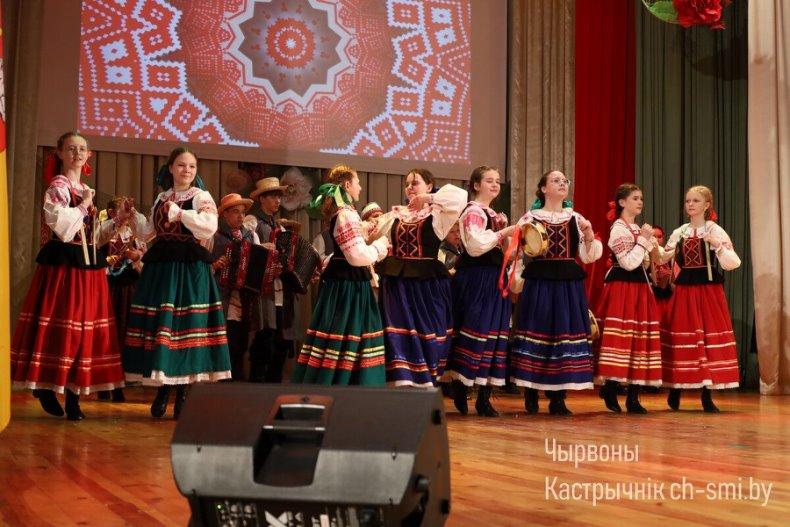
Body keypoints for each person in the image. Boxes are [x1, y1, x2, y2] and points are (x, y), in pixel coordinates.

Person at [10, 131, 125, 420]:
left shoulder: (83, 188)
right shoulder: (58, 186)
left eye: (82, 149)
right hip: (63, 268)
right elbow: (63, 227)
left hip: (87, 269)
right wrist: (84, 205)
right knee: (64, 329)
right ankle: (48, 387)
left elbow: (93, 237)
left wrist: (117, 222)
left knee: (84, 331)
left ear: (89, 155)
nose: (77, 153)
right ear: (59, 153)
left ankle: (74, 396)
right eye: (71, 148)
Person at [124, 146, 231, 419]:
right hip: (163, 267)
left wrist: (181, 214)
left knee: (184, 326)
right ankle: (163, 388)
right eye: (182, 165)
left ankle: (182, 390)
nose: (187, 170)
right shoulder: (162, 197)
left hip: (189, 269)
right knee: (164, 326)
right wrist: (133, 215)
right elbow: (149, 231)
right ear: (170, 168)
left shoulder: (199, 196)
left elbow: (209, 225)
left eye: (192, 166)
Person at [511, 170, 603, 416]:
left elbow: (588, 255)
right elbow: (518, 253)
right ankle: (530, 389)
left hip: (567, 284)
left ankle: (558, 397)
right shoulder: (530, 218)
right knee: (539, 330)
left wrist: (589, 234)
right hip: (539, 282)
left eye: (565, 181)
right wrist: (517, 280)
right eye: (556, 180)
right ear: (543, 189)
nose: (562, 183)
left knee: (565, 332)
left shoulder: (575, 218)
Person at [368, 169, 467, 387]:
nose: (410, 187)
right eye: (407, 184)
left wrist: (428, 199)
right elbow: (372, 235)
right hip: (397, 283)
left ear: (429, 187)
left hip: (427, 285)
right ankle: (403, 382)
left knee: (428, 330)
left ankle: (426, 382)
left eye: (416, 183)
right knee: (398, 332)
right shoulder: (396, 215)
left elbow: (460, 196)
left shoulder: (438, 214)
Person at [292, 165, 390, 384]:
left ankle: (340, 382)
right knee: (350, 332)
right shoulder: (345, 214)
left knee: (340, 334)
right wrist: (381, 246)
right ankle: (346, 385)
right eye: (357, 182)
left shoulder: (344, 213)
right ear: (347, 185)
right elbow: (356, 256)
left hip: (343, 283)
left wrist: (365, 230)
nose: (360, 187)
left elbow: (346, 248)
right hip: (349, 288)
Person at [657, 185, 741, 412]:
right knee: (683, 338)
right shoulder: (680, 232)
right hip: (684, 292)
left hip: (707, 292)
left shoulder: (715, 230)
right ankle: (676, 387)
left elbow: (733, 263)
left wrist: (717, 246)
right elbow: (663, 256)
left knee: (707, 338)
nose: (690, 204)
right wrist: (648, 244)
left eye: (695, 201)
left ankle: (707, 393)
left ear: (706, 205)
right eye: (687, 201)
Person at [442, 166, 518, 416]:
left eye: (497, 181)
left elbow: (504, 252)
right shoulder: (474, 212)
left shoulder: (493, 214)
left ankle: (484, 396)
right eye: (489, 180)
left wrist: (512, 239)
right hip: (477, 278)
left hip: (494, 278)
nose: (495, 185)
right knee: (475, 329)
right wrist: (505, 232)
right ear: (475, 185)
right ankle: (462, 388)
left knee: (494, 333)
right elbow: (475, 246)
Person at [594, 184, 662, 414]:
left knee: (639, 340)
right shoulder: (619, 229)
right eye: (635, 198)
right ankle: (611, 388)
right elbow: (629, 263)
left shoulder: (637, 229)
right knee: (621, 338)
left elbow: (657, 259)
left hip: (640, 289)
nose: (640, 202)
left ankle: (634, 396)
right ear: (622, 202)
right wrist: (643, 241)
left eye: (641, 198)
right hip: (622, 288)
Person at [244, 177, 304, 383]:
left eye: (279, 196)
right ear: (262, 199)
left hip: (281, 291)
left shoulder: (279, 226)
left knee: (283, 340)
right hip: (264, 289)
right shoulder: (252, 222)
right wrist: (263, 251)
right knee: (265, 338)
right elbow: (244, 252)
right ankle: (259, 382)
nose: (278, 200)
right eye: (273, 196)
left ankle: (273, 382)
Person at [97, 196, 147, 402]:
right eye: (122, 209)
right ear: (111, 214)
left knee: (124, 334)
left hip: (128, 290)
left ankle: (119, 383)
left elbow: (145, 266)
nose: (128, 212)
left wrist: (136, 258)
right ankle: (103, 382)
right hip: (107, 288)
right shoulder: (103, 233)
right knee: (106, 336)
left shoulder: (135, 236)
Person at [208, 193, 258, 382]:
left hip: (243, 297)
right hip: (222, 295)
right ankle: (222, 382)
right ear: (225, 215)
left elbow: (258, 263)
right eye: (235, 212)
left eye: (242, 212)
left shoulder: (251, 235)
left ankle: (237, 382)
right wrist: (215, 265)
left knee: (240, 342)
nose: (240, 216)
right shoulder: (214, 235)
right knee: (225, 340)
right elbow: (203, 265)